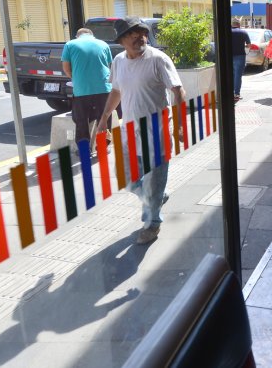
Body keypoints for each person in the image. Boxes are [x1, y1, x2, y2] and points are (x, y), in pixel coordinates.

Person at [96, 17, 185, 245]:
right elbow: (116, 91)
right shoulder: (118, 61)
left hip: (156, 132)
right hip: (129, 131)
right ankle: (157, 197)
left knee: (153, 183)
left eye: (142, 32)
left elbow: (178, 91)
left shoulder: (158, 59)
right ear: (122, 40)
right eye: (132, 34)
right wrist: (105, 117)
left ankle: (152, 224)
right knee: (125, 177)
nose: (139, 37)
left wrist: (181, 125)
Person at [61, 28, 114, 152]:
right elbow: (109, 66)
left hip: (81, 90)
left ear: (77, 36)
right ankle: (102, 147)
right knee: (104, 118)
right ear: (92, 35)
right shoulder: (103, 44)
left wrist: (77, 79)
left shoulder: (70, 44)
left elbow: (66, 68)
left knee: (81, 120)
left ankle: (84, 150)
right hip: (104, 88)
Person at [230, 19, 251, 102]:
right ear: (239, 24)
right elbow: (249, 45)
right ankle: (237, 94)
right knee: (238, 75)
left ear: (232, 24)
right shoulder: (243, 32)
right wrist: (245, 46)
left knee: (231, 75)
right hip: (240, 55)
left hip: (229, 56)